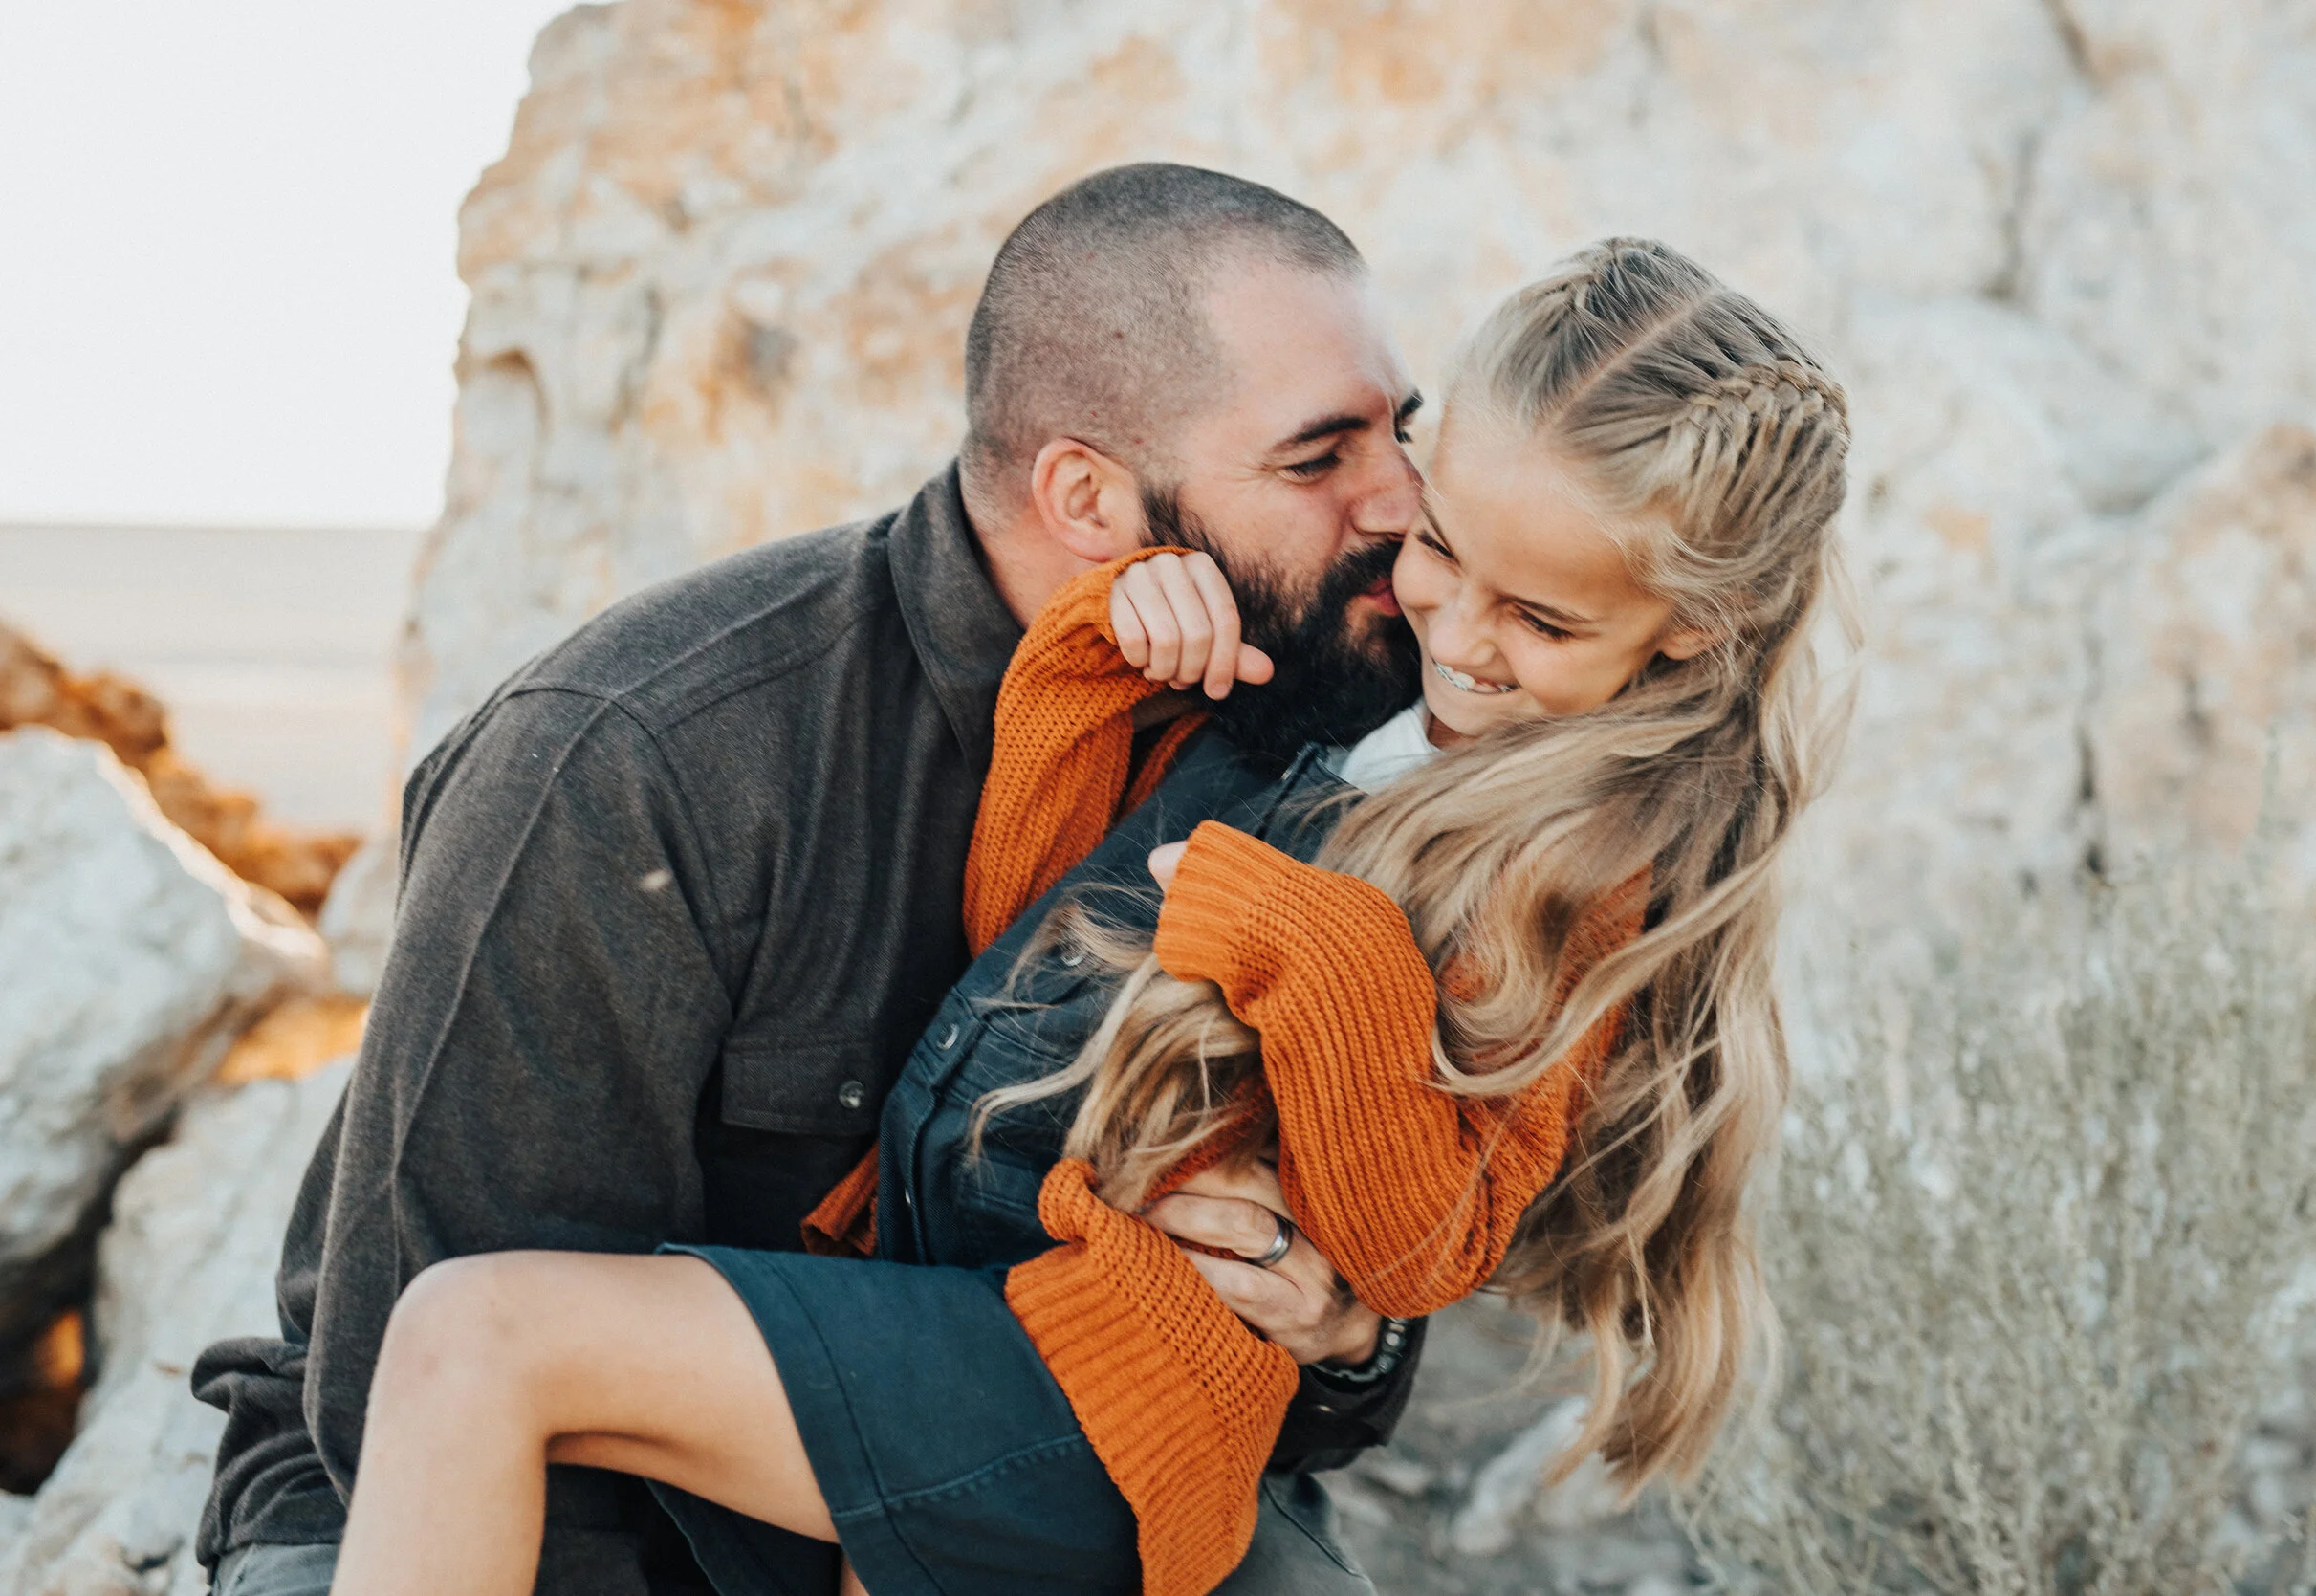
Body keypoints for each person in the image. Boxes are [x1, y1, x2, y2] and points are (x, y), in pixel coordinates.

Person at [322, 237, 1854, 1596]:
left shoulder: (1594, 868)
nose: (1454, 626)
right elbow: (1025, 944)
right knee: (466, 1342)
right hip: (988, 1318)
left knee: (482, 1342)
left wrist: (1316, 952)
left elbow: (1418, 1240)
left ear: (1687, 638)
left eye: (1546, 618)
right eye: (1443, 545)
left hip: (1112, 1398)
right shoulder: (1356, 691)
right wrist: (1093, 665)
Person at [191, 164, 1432, 1596]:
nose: (1405, 500)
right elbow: (410, 1363)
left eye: (1407, 425)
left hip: (982, 1496)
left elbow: (1348, 1374)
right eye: (1317, 457)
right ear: (1087, 498)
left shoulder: (1280, 759)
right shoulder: (642, 759)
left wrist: (1342, 1329)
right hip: (491, 1521)